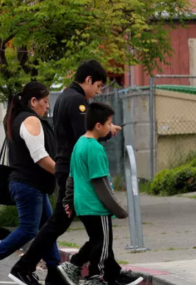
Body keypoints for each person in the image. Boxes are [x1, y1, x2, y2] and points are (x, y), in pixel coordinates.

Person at [8, 60, 128, 285]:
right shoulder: (77, 100)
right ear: (88, 80)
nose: (97, 92)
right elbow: (85, 134)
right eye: (99, 86)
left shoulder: (64, 96)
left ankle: (105, 271)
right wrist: (108, 132)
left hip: (68, 169)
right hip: (75, 172)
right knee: (79, 225)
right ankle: (29, 267)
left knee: (80, 227)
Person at [0, 82, 60, 285]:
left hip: (31, 185)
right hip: (28, 185)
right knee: (29, 229)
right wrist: (63, 172)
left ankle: (55, 270)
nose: (47, 106)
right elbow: (39, 157)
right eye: (45, 102)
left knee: (48, 228)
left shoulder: (18, 118)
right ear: (33, 101)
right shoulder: (30, 120)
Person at [59, 103, 142, 285]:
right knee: (103, 244)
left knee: (96, 241)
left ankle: (80, 268)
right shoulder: (95, 149)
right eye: (108, 124)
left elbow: (71, 178)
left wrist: (69, 201)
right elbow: (101, 184)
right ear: (98, 125)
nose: (110, 128)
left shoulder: (79, 144)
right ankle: (96, 277)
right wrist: (118, 209)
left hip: (83, 204)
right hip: (96, 205)